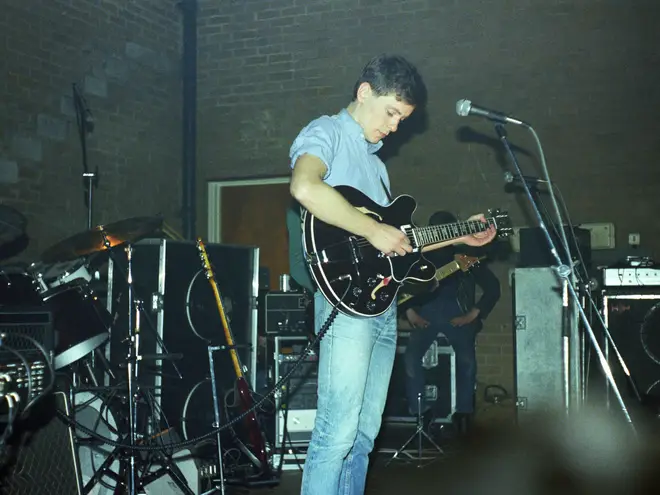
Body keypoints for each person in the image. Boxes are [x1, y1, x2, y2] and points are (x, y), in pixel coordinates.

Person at [288, 54, 497, 495]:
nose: (395, 127)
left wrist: (461, 236)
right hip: (345, 307)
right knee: (336, 433)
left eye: (402, 119)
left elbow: (397, 245)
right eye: (391, 113)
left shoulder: (377, 167)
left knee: (363, 439)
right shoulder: (325, 132)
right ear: (365, 93)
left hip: (382, 309)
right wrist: (370, 228)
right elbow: (305, 187)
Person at [402, 210, 501, 434]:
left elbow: (493, 288)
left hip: (457, 315)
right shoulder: (419, 258)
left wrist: (473, 314)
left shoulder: (465, 256)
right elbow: (403, 287)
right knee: (410, 359)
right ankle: (420, 412)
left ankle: (463, 415)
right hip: (425, 315)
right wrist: (409, 312)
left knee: (466, 361)